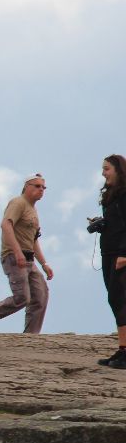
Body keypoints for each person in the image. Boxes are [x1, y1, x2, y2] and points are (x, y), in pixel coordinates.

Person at [0, 174, 53, 334]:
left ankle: (31, 337)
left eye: (43, 187)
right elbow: (6, 225)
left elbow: (33, 240)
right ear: (26, 187)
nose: (41, 189)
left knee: (40, 295)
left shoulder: (33, 210)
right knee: (22, 298)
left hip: (29, 260)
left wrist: (44, 263)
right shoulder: (18, 203)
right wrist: (17, 252)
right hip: (14, 257)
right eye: (37, 186)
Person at [93, 155, 126, 369]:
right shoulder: (112, 195)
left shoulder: (124, 194)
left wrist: (124, 253)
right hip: (109, 253)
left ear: (118, 170)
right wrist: (102, 224)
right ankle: (122, 349)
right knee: (115, 300)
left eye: (106, 169)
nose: (103, 173)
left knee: (121, 300)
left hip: (120, 255)